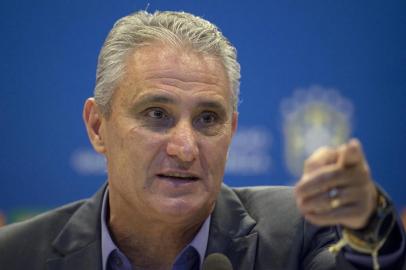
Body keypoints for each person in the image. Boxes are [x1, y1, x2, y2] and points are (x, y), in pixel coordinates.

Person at [0, 10, 404, 270]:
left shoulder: (302, 234)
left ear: (231, 131)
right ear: (97, 126)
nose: (186, 148)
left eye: (208, 118)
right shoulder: (15, 255)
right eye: (156, 115)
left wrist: (369, 217)